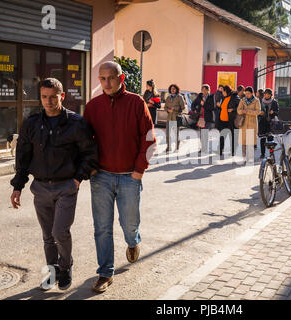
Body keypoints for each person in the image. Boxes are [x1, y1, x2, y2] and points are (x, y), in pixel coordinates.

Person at [10, 78, 98, 291]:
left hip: (66, 186)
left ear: (62, 96)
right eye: (44, 97)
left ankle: (66, 267)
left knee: (60, 231)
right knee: (48, 236)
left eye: (52, 97)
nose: (48, 101)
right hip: (40, 188)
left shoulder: (76, 123)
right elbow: (23, 157)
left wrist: (78, 178)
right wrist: (17, 187)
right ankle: (51, 272)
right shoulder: (31, 123)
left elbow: (90, 153)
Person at [83, 61, 156, 293]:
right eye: (102, 79)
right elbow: (85, 142)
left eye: (111, 78)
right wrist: (91, 168)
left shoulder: (136, 102)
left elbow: (149, 137)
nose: (107, 83)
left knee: (129, 223)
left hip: (129, 177)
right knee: (102, 227)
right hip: (101, 178)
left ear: (121, 78)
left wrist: (139, 170)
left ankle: (133, 241)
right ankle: (105, 272)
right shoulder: (93, 106)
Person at [237, 86, 264, 161]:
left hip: (252, 123)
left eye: (248, 93)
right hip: (243, 123)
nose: (247, 95)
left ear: (252, 93)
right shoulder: (242, 100)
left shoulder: (256, 101)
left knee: (250, 142)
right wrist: (242, 111)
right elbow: (238, 110)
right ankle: (244, 157)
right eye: (246, 93)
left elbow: (258, 111)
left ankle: (250, 157)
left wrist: (247, 111)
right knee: (243, 142)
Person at [216, 85, 240, 156]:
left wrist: (233, 109)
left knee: (232, 136)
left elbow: (240, 106)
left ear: (226, 91)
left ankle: (233, 151)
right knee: (222, 136)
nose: (222, 92)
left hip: (231, 120)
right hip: (222, 121)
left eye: (223, 91)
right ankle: (220, 150)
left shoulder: (235, 97)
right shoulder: (223, 97)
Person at [258, 88, 279, 159]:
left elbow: (277, 111)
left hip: (271, 122)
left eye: (268, 94)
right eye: (265, 94)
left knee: (270, 139)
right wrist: (259, 113)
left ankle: (271, 153)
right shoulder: (260, 101)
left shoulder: (274, 102)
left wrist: (274, 112)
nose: (266, 95)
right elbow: (257, 110)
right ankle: (262, 153)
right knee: (262, 139)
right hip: (262, 122)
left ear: (270, 95)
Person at [164, 84, 185, 152]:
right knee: (167, 134)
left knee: (176, 134)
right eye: (171, 89)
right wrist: (168, 110)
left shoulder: (180, 97)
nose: (172, 90)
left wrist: (175, 108)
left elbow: (183, 107)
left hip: (176, 117)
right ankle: (168, 147)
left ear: (176, 90)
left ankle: (177, 147)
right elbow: (165, 107)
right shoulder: (168, 97)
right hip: (169, 118)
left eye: (174, 89)